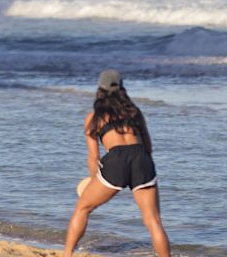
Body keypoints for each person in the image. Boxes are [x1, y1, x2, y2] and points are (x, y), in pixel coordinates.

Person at [64, 70, 171, 257]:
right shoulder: (134, 112)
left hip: (116, 159)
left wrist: (93, 180)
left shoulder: (94, 118)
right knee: (153, 220)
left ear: (100, 89)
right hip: (142, 159)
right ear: (122, 88)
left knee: (83, 208)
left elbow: (93, 156)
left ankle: (67, 254)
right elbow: (148, 147)